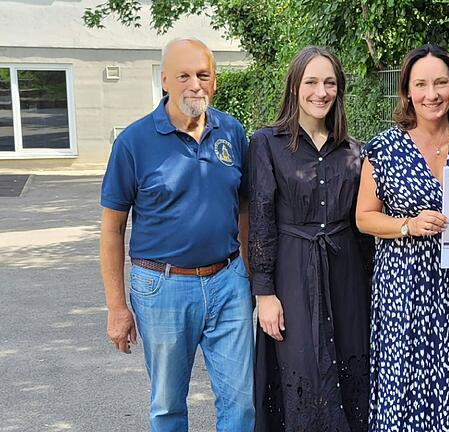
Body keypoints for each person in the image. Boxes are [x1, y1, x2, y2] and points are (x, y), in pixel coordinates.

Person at [99, 38, 255, 432]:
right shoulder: (133, 143)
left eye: (203, 75)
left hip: (228, 282)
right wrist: (117, 308)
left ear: (215, 80)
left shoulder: (232, 133)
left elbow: (245, 208)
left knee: (241, 405)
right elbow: (112, 228)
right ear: (165, 80)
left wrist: (248, 275)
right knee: (168, 406)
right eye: (183, 76)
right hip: (163, 288)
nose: (195, 85)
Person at [356, 44, 449, 431]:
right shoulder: (384, 148)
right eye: (421, 84)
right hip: (402, 287)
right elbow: (364, 218)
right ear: (407, 91)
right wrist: (408, 225)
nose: (431, 94)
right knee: (402, 384)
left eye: (440, 83)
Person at [249, 46, 372, 432]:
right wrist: (264, 293)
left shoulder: (356, 152)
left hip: (346, 273)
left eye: (330, 83)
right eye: (312, 82)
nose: (321, 92)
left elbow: (363, 227)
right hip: (292, 272)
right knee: (299, 366)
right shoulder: (266, 143)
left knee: (351, 364)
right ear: (295, 87)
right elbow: (262, 220)